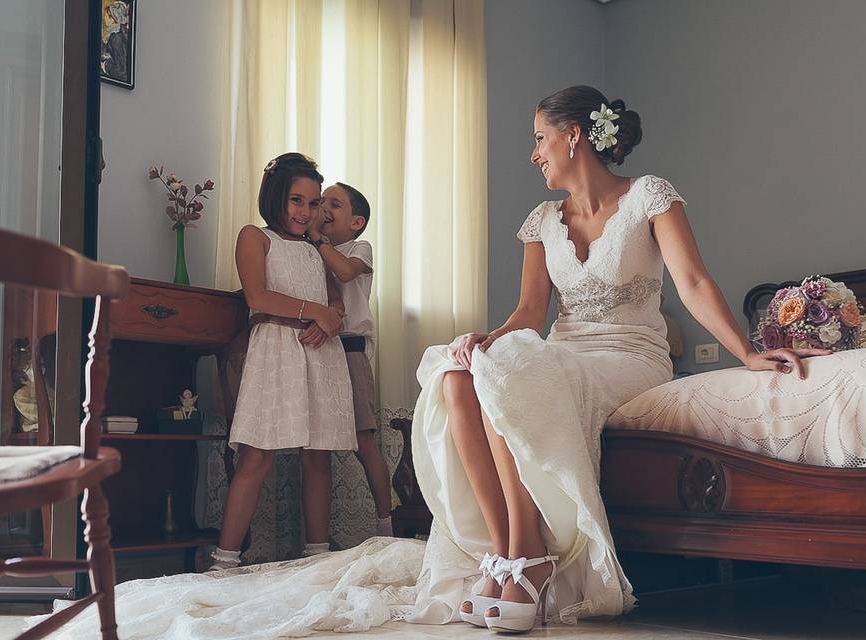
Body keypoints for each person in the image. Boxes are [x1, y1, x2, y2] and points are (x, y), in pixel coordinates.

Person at [407, 84, 829, 633]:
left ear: (574, 136)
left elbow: (694, 280)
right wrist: (485, 339)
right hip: (562, 351)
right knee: (458, 373)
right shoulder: (541, 221)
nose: (535, 154)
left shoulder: (650, 195)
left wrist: (746, 352)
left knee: (504, 370)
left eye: (540, 139)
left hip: (630, 356)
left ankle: (532, 553)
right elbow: (531, 311)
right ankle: (505, 550)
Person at [209, 152, 356, 571]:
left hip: (319, 352)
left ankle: (317, 555)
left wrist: (327, 322)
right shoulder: (255, 237)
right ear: (275, 195)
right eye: (297, 200)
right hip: (275, 350)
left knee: (319, 453)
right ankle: (225, 559)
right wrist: (315, 312)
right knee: (256, 453)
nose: (306, 212)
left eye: (313, 204)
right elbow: (258, 297)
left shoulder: (315, 249)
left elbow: (336, 302)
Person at [308, 182, 393, 537]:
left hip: (350, 348)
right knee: (315, 444)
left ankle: (386, 520)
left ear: (356, 221)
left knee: (363, 438)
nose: (325, 207)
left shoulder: (360, 247)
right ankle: (316, 540)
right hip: (318, 347)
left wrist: (317, 239)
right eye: (321, 201)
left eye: (334, 204)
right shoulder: (311, 247)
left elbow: (344, 272)